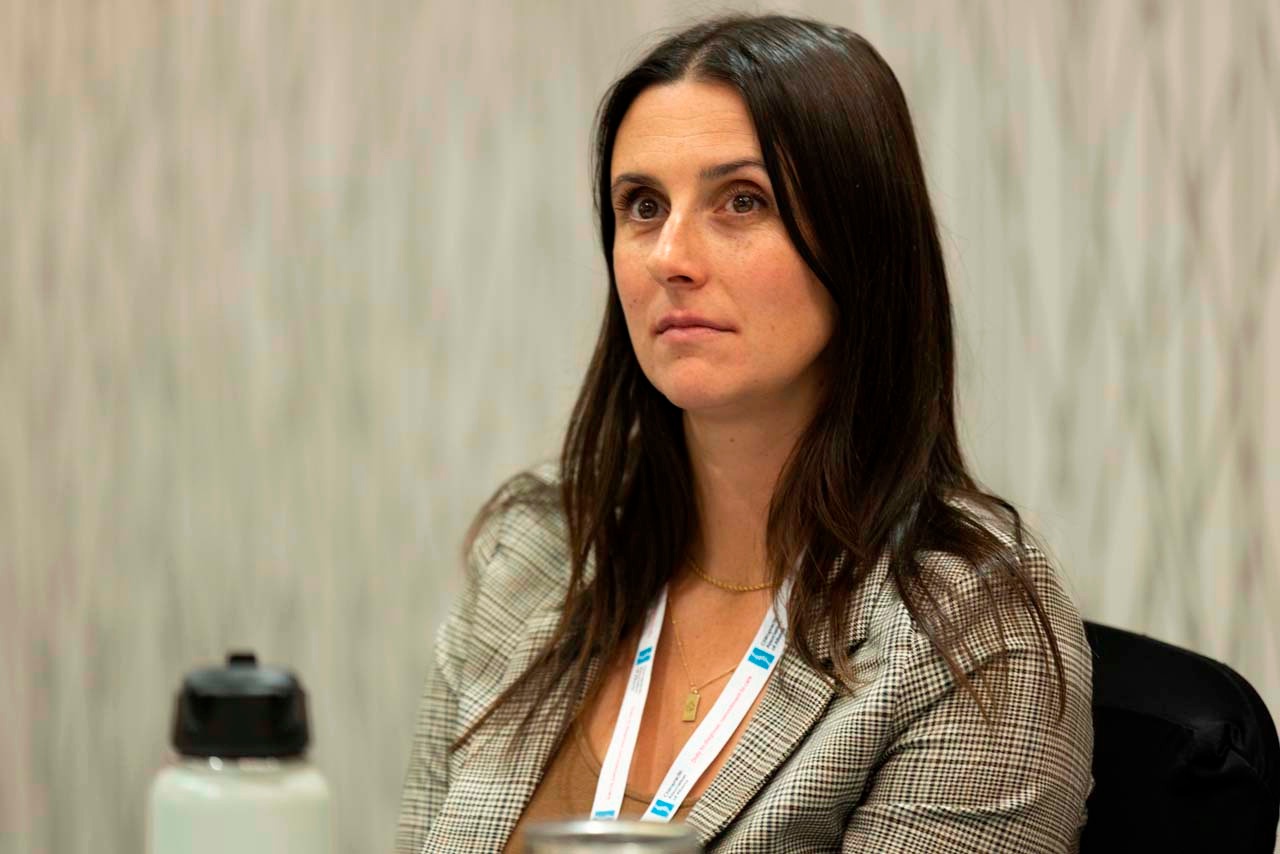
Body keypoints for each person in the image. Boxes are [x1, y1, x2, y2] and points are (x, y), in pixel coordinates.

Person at [395, 12, 1093, 853]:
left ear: (862, 241)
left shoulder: (967, 623)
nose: (670, 256)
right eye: (643, 206)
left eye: (742, 201)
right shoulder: (540, 551)